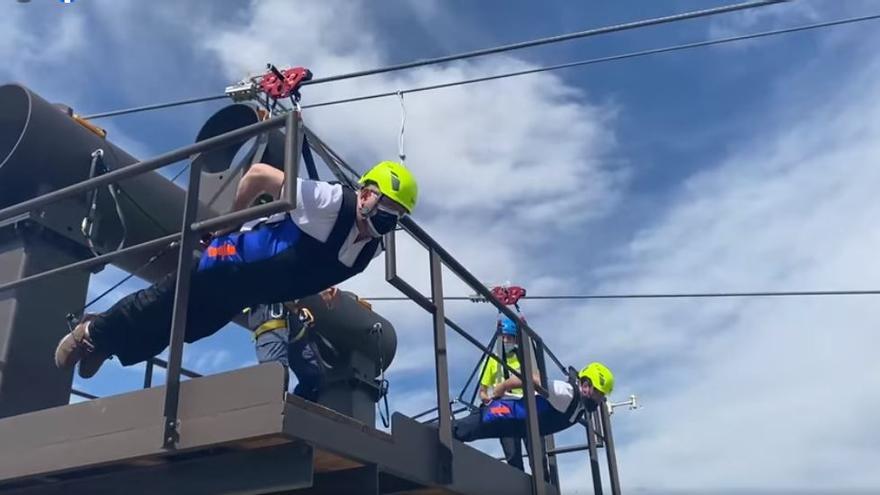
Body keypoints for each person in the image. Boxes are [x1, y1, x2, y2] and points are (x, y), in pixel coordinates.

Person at [54, 160, 418, 378]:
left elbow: (318, 264)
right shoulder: (332, 202)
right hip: (231, 261)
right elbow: (258, 175)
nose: (383, 224)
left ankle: (109, 346)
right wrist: (231, 221)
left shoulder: (368, 249)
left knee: (187, 330)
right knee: (162, 301)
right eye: (383, 212)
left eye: (393, 220)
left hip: (251, 290)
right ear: (367, 194)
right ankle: (92, 332)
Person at [453, 362, 614, 443]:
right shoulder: (566, 393)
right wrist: (501, 388)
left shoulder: (580, 407)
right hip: (501, 413)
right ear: (586, 385)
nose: (599, 400)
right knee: (458, 430)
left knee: (464, 434)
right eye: (598, 394)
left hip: (513, 426)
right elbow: (530, 376)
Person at [477, 316, 534, 471]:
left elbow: (535, 371)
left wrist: (525, 330)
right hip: (504, 410)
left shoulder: (522, 358)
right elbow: (482, 391)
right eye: (504, 337)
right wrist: (487, 399)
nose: (506, 340)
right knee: (513, 457)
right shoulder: (492, 361)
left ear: (516, 340)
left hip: (525, 407)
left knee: (538, 456)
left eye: (510, 337)